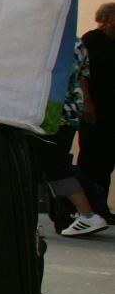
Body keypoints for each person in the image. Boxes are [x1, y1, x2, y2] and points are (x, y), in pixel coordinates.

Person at [47, 38, 108, 236]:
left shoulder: (52, 40)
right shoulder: (77, 43)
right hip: (68, 112)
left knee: (54, 165)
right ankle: (76, 215)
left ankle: (86, 214)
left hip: (52, 112)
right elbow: (83, 77)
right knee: (53, 164)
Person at [79, 3, 115, 220]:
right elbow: (82, 74)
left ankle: (101, 207)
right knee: (91, 157)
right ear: (108, 18)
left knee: (108, 159)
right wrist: (87, 102)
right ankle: (85, 207)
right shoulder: (92, 40)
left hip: (111, 111)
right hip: (94, 109)